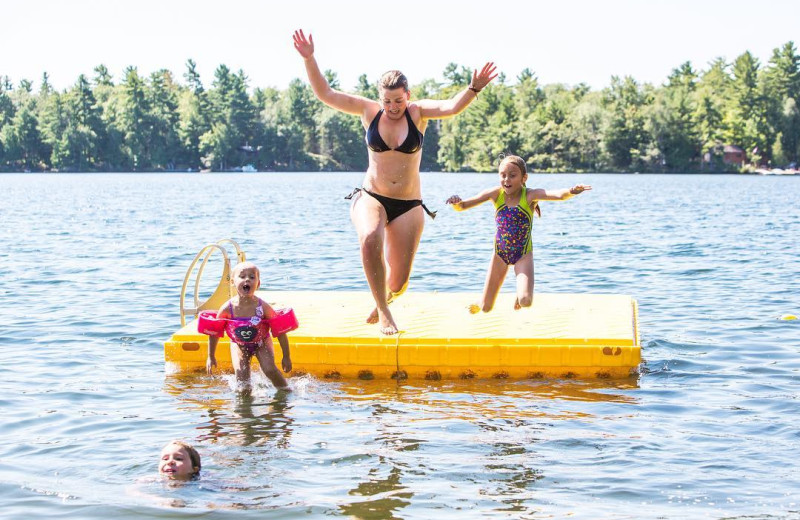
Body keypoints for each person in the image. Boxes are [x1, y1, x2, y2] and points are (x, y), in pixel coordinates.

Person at [292, 29, 497, 335]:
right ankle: (386, 313)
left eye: (398, 100)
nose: (393, 106)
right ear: (380, 98)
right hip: (371, 196)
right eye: (387, 101)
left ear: (408, 96)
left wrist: (473, 88)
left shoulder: (418, 113)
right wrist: (310, 58)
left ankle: (385, 299)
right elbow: (326, 94)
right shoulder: (369, 111)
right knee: (370, 238)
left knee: (398, 282)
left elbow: (452, 107)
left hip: (408, 204)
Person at [445, 155, 591, 313]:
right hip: (500, 255)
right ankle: (482, 301)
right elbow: (463, 206)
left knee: (525, 301)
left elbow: (558, 195)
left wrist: (572, 191)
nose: (507, 179)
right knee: (486, 308)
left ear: (524, 177)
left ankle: (520, 293)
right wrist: (456, 203)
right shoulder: (495, 194)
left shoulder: (530, 196)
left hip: (523, 255)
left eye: (512, 175)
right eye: (503, 175)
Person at [206, 261, 292, 391]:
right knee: (242, 381)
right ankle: (245, 407)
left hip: (261, 342)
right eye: (242, 276)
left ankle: (286, 392)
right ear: (232, 282)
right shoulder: (228, 308)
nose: (247, 279)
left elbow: (280, 331)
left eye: (252, 277)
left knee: (270, 370)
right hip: (238, 344)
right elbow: (214, 332)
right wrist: (211, 356)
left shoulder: (263, 307)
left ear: (258, 283)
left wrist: (286, 356)